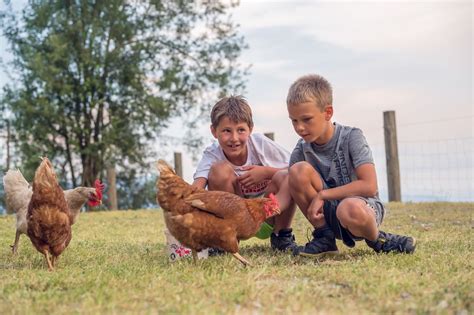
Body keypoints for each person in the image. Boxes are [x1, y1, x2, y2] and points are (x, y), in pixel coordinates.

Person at [286, 74, 416, 257]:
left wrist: (323, 194)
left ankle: (378, 239)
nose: (299, 127)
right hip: (328, 215)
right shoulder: (302, 148)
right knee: (297, 171)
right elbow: (288, 179)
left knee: (349, 208)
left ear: (328, 113)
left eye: (306, 119)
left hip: (360, 208)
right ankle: (324, 238)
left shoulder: (352, 137)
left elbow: (369, 186)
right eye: (294, 120)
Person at [193, 95, 297, 252]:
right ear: (214, 131)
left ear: (250, 129)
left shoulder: (260, 143)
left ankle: (281, 237)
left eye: (241, 130)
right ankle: (226, 239)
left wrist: (266, 172)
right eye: (227, 131)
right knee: (219, 170)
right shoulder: (212, 154)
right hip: (237, 218)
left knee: (287, 176)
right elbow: (196, 189)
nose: (234, 138)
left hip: (268, 215)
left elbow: (297, 169)